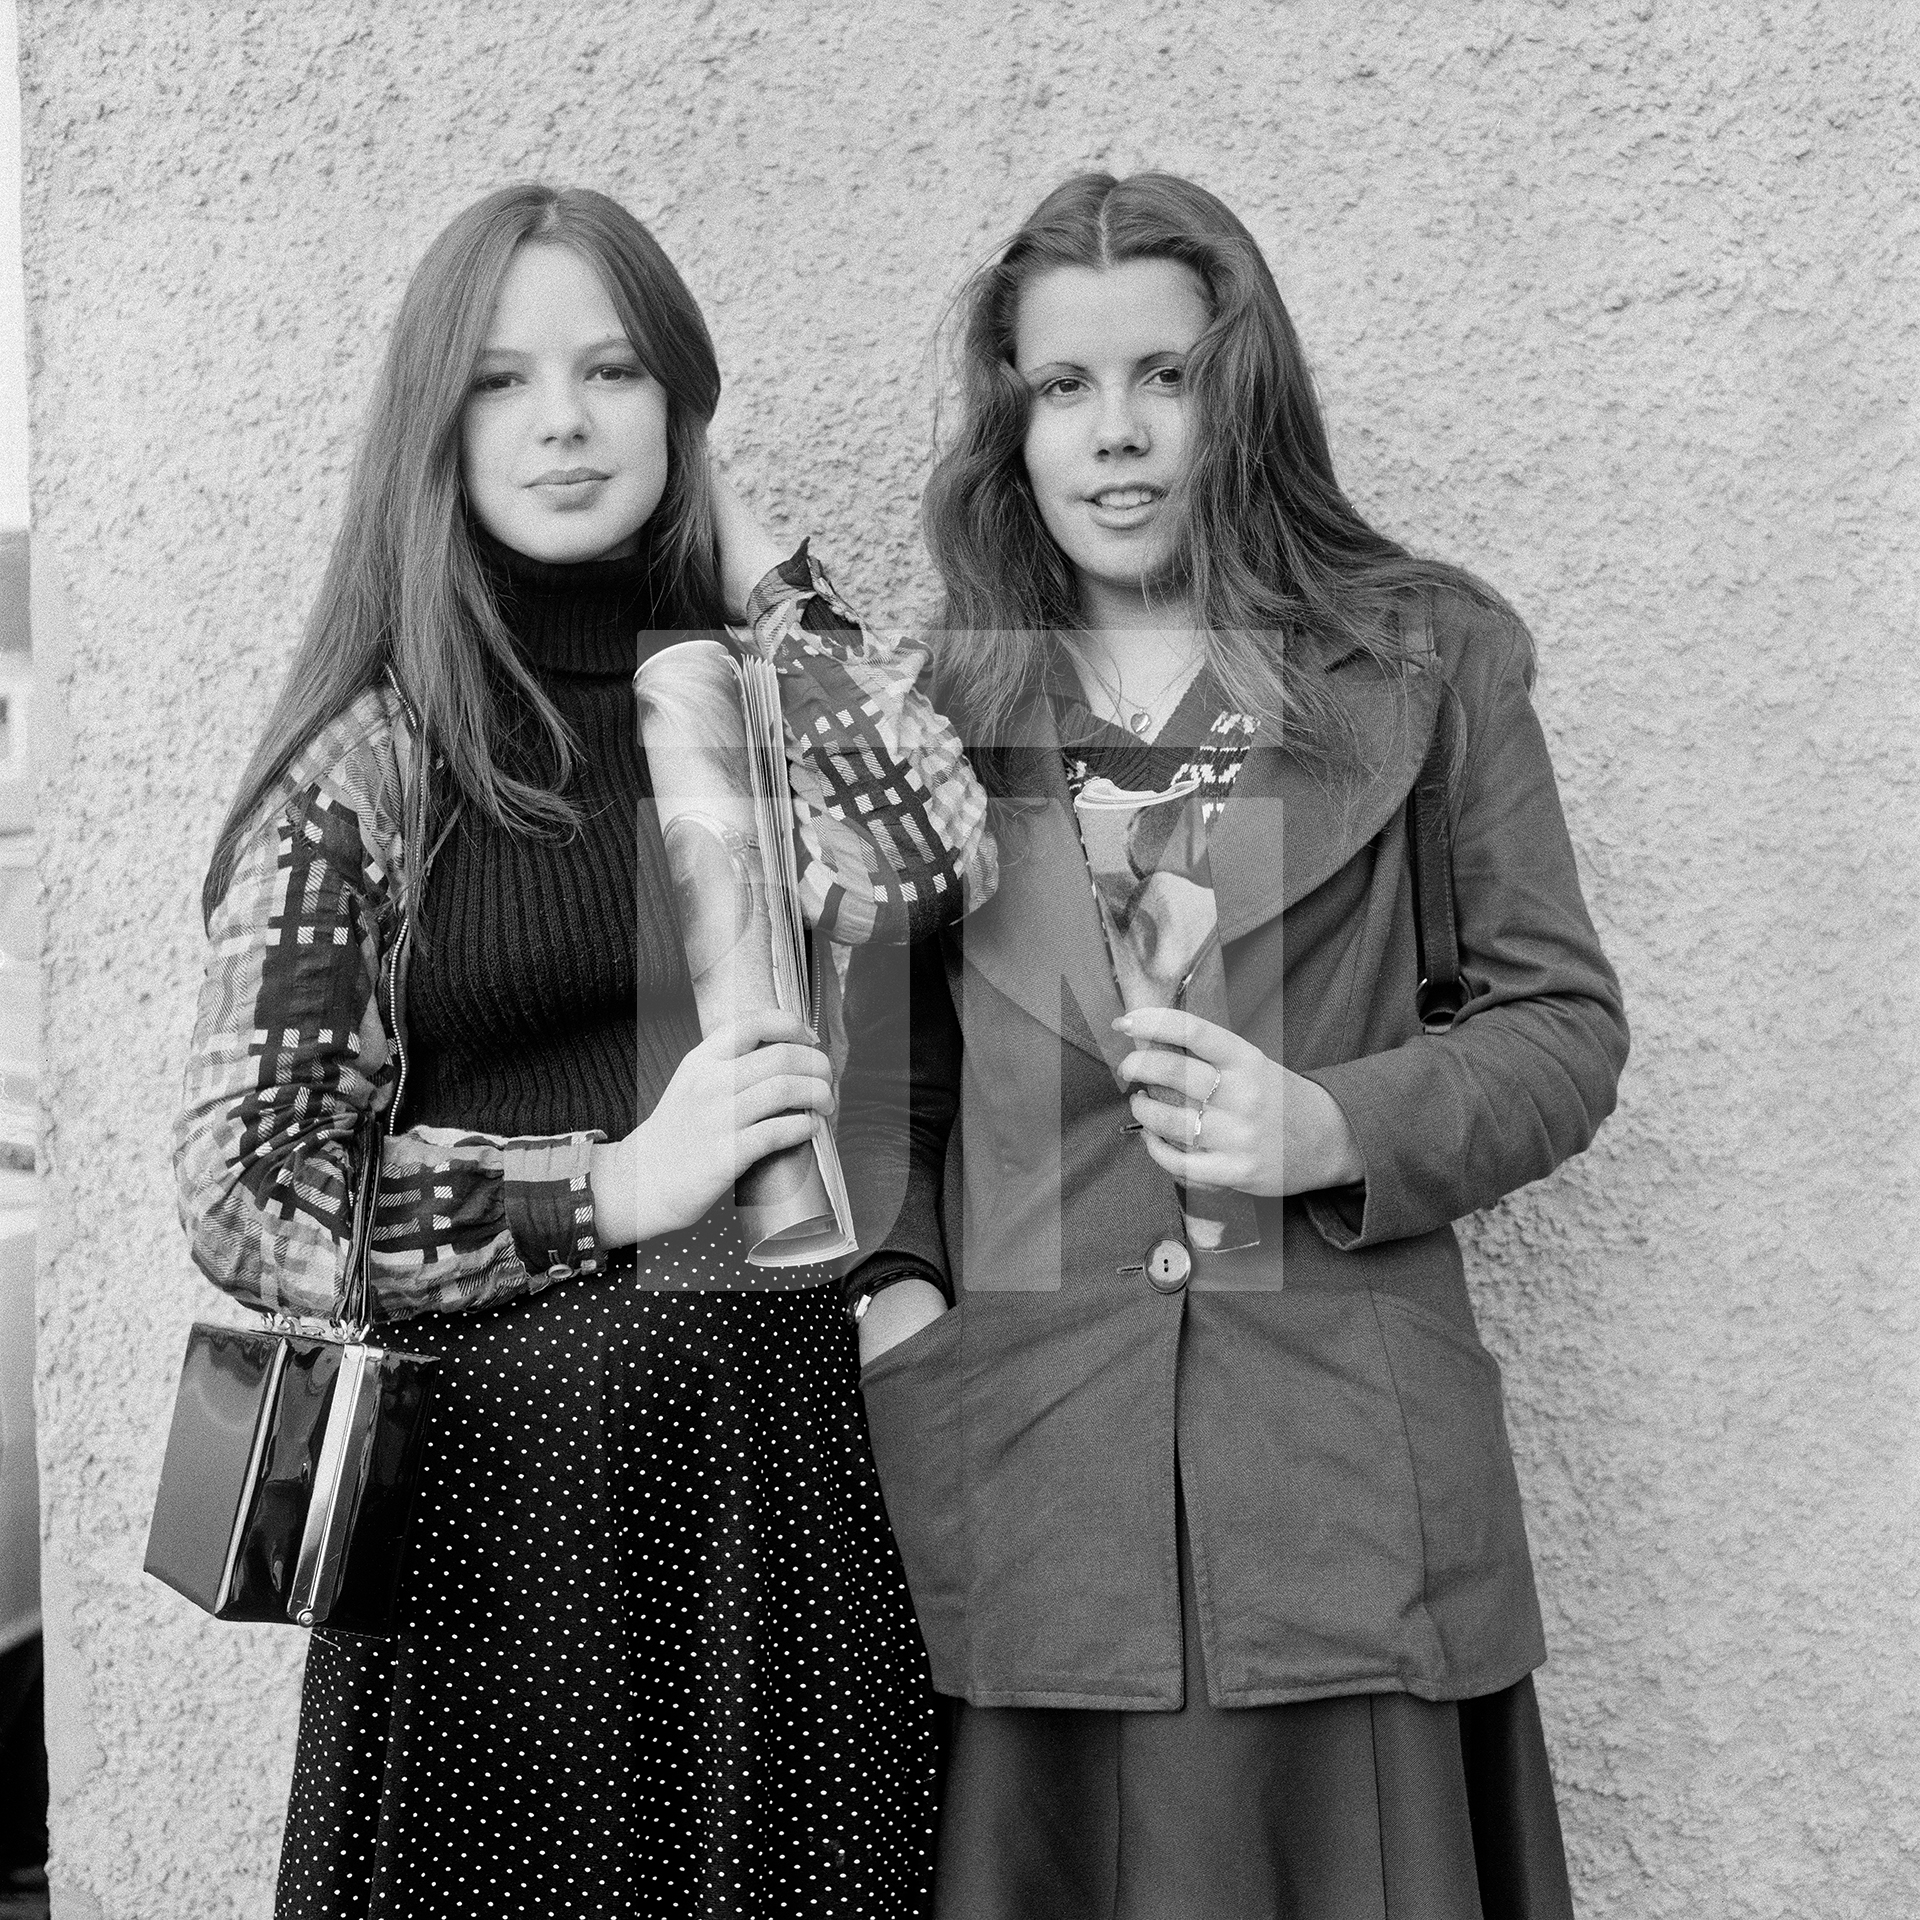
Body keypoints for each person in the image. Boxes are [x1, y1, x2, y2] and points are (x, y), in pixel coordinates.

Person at [174, 183, 993, 1920]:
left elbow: (936, 857)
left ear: (679, 406)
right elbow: (252, 1193)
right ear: (432, 426)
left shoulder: (734, 698)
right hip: (503, 1562)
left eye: (617, 370)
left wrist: (759, 559)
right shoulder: (378, 758)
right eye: (501, 380)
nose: (563, 420)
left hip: (772, 1523)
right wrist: (611, 1184)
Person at [837, 171, 1629, 1918]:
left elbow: (1564, 1028)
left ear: (1241, 389)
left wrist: (1330, 1127)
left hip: (1341, 1503)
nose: (1116, 437)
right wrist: (898, 1292)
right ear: (1012, 424)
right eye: (1064, 389)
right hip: (1045, 1484)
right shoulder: (940, 714)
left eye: (1165, 377)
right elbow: (879, 1076)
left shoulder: (1423, 659)